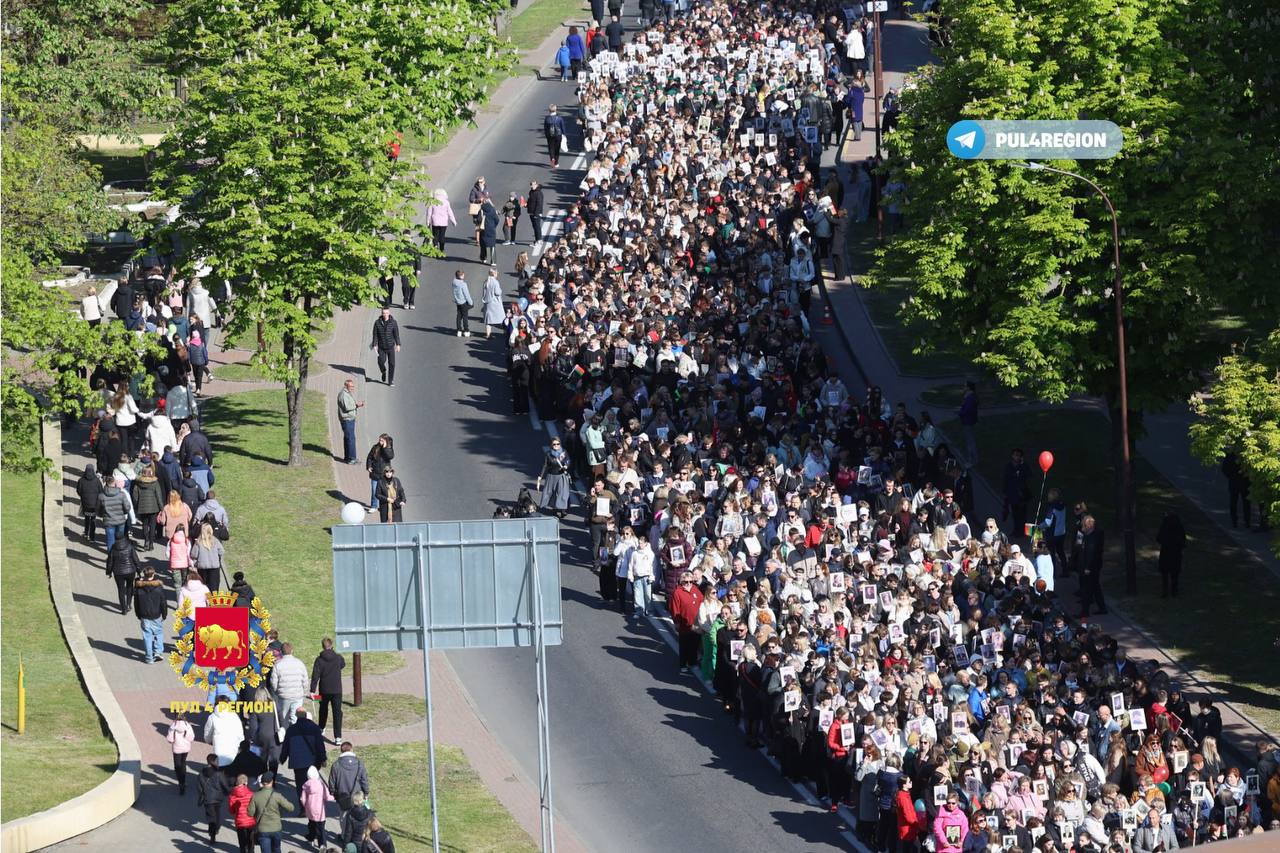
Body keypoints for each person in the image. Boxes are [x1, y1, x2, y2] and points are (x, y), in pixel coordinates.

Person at [281, 708, 327, 793]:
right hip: (313, 762)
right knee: (313, 783)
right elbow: (320, 745)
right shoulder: (315, 728)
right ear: (306, 715)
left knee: (300, 786)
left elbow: (286, 746)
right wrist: (323, 759)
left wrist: (282, 759)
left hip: (298, 763)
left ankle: (303, 804)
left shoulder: (291, 729)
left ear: (296, 716)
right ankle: (313, 801)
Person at [248, 772, 295, 853]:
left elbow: (250, 813)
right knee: (276, 849)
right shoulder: (277, 796)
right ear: (272, 782)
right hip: (276, 828)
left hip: (262, 830)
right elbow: (291, 808)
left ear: (262, 783)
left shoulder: (255, 796)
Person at [311, 637, 346, 741]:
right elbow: (343, 664)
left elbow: (315, 676)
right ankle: (338, 737)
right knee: (337, 712)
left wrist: (312, 690)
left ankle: (321, 728)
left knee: (323, 709)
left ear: (322, 647)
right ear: (332, 646)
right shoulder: (338, 658)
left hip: (323, 690)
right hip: (337, 690)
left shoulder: (319, 660)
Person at [669, 570, 704, 673]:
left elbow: (702, 602)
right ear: (681, 582)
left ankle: (692, 662)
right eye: (686, 582)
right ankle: (683, 664)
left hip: (696, 623)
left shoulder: (696, 590)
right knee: (684, 645)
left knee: (694, 644)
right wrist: (676, 622)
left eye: (690, 581)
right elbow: (675, 609)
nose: (688, 584)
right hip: (684, 624)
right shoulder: (677, 592)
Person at [271, 642, 310, 728]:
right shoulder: (300, 663)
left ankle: (284, 736)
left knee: (283, 718)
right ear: (292, 651)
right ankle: (296, 735)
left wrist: (277, 691)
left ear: (281, 652)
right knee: (296, 718)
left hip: (283, 696)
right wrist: (304, 692)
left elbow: (274, 682)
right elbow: (305, 680)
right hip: (297, 695)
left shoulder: (277, 665)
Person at [134, 566, 168, 662]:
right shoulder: (159, 588)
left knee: (147, 636)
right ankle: (158, 652)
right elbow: (163, 603)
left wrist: (138, 615)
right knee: (158, 633)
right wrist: (164, 614)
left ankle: (149, 657)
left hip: (144, 615)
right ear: (153, 574)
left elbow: (136, 603)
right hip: (156, 614)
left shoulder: (138, 588)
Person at [196, 753, 231, 845]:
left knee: (211, 817)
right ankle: (216, 829)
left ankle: (212, 835)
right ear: (214, 761)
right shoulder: (219, 774)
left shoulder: (201, 774)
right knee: (217, 814)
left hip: (208, 799)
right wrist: (229, 792)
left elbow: (199, 787)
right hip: (218, 798)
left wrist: (202, 795)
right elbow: (224, 785)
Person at [1078, 514, 1107, 617]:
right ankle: (1102, 607)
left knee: (1087, 589)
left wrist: (1087, 567)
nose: (1082, 528)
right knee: (1095, 587)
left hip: (1091, 567)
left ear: (1089, 526)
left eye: (1084, 526)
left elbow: (1091, 554)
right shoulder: (1091, 536)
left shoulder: (1092, 539)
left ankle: (1084, 612)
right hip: (1093, 566)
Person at [329, 741, 371, 813]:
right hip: (357, 796)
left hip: (342, 796)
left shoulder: (336, 765)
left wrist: (334, 794)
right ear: (351, 750)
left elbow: (332, 782)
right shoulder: (359, 764)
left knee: (344, 817)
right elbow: (364, 780)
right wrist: (366, 793)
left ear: (341, 751)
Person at [105, 533, 141, 613]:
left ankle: (123, 609)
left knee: (120, 590)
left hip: (118, 572)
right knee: (129, 587)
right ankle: (128, 604)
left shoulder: (113, 548)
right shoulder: (130, 546)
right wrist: (139, 570)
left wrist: (109, 572)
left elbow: (110, 561)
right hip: (130, 571)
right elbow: (136, 559)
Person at [131, 464, 165, 550]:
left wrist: (137, 504)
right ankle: (151, 543)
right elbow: (158, 496)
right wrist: (162, 508)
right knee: (153, 525)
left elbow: (135, 495)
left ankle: (146, 540)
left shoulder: (138, 483)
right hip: (153, 508)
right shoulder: (155, 483)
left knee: (145, 524)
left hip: (142, 507)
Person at [301, 765, 334, 849]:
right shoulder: (321, 785)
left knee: (311, 824)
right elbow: (327, 796)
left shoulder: (306, 785)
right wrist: (334, 797)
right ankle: (322, 845)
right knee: (321, 829)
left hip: (310, 809)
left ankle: (311, 838)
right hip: (320, 811)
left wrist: (305, 806)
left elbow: (302, 799)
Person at [536, 438, 571, 517]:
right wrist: (540, 477)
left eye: (558, 444)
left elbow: (568, 460)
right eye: (554, 444)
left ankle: (563, 510)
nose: (556, 446)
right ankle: (554, 509)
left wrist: (566, 465)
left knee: (563, 493)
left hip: (561, 476)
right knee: (553, 493)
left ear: (560, 444)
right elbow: (545, 465)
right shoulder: (548, 454)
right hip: (551, 476)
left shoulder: (564, 452)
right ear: (551, 445)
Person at [1156, 510, 1187, 598]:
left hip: (1165, 553)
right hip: (1176, 554)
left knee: (1165, 573)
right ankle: (1174, 591)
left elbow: (1158, 538)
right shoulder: (1179, 526)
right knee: (1175, 574)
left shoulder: (1165, 525)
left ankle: (1165, 591)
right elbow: (1183, 540)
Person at [204, 700, 245, 766]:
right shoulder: (235, 716)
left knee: (220, 768)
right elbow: (240, 735)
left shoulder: (212, 717)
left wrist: (209, 741)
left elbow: (207, 734)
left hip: (219, 749)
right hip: (233, 748)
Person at [166, 711, 195, 796]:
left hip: (177, 749)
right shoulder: (188, 726)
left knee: (177, 766)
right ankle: (183, 781)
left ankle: (180, 782)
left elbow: (170, 739)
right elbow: (191, 738)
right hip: (186, 748)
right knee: (183, 763)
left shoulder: (172, 727)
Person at [370, 307, 401, 386]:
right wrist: (374, 344)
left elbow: (396, 334)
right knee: (380, 361)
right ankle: (383, 371)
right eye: (384, 313)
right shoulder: (377, 323)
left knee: (392, 364)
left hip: (390, 347)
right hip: (381, 347)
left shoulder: (393, 322)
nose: (385, 314)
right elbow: (375, 335)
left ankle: (390, 381)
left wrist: (398, 344)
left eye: (386, 313)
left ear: (389, 313)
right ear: (381, 313)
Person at [191, 520, 225, 591]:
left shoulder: (198, 542)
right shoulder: (215, 541)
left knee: (203, 587)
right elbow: (221, 551)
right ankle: (213, 601)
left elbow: (193, 554)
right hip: (214, 567)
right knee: (214, 588)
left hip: (202, 567)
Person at [337, 379, 365, 465]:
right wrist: (357, 405)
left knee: (348, 438)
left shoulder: (346, 393)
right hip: (347, 420)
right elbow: (347, 407)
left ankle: (347, 457)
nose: (353, 388)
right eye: (351, 386)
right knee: (351, 439)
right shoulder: (343, 395)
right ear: (346, 386)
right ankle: (352, 459)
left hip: (349, 420)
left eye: (353, 386)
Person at [226, 774, 256, 853]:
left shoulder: (232, 796)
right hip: (251, 821)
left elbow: (231, 811)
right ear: (245, 783)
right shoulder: (251, 794)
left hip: (240, 823)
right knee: (251, 841)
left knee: (242, 843)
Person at [365, 434, 394, 513]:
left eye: (382, 440)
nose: (379, 442)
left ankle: (383, 506)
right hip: (375, 473)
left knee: (384, 491)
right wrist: (369, 466)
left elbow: (390, 456)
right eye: (379, 440)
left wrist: (384, 447)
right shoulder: (375, 447)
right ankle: (374, 506)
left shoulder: (389, 449)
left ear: (386, 441)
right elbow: (369, 457)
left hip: (384, 474)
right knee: (374, 490)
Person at [76, 464, 104, 542]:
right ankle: (92, 537)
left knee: (87, 518)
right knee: (93, 520)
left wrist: (83, 497)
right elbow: (101, 491)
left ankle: (86, 532)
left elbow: (78, 491)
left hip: (85, 504)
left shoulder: (81, 480)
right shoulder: (97, 481)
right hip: (94, 504)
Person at [426, 188, 456, 254]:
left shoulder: (432, 201)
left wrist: (428, 222)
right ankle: (442, 248)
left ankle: (435, 246)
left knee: (435, 235)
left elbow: (429, 213)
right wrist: (453, 221)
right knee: (442, 236)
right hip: (444, 222)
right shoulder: (446, 202)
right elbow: (450, 212)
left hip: (435, 222)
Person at [957, 380, 979, 463]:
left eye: (965, 386)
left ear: (969, 388)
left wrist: (959, 413)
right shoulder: (969, 396)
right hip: (968, 420)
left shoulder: (970, 398)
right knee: (969, 439)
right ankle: (972, 457)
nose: (963, 387)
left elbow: (968, 410)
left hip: (968, 421)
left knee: (970, 440)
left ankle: (973, 458)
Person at [481, 267, 505, 337]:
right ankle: (505, 332)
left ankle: (488, 334)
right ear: (494, 273)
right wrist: (501, 290)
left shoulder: (486, 281)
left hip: (488, 303)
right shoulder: (495, 282)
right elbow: (497, 292)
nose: (497, 274)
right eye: (497, 273)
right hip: (495, 303)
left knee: (489, 320)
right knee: (502, 318)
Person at [452, 269, 474, 337]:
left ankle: (459, 330)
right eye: (463, 275)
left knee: (459, 316)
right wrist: (471, 302)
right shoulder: (463, 284)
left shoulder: (454, 282)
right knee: (465, 316)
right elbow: (466, 294)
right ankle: (466, 331)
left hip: (458, 302)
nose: (464, 276)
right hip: (463, 302)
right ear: (461, 276)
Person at [477, 198, 500, 263]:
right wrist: (494, 226)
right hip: (491, 229)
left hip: (483, 229)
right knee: (492, 245)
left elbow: (478, 220)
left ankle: (483, 258)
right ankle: (493, 262)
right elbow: (497, 220)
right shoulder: (493, 210)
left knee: (483, 245)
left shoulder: (481, 210)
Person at [544, 103, 566, 168]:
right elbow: (563, 127)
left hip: (550, 135)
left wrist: (546, 135)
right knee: (557, 149)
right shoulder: (559, 118)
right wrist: (564, 135)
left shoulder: (547, 119)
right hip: (558, 135)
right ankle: (556, 162)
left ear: (549, 110)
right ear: (556, 110)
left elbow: (545, 128)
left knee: (551, 148)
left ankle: (552, 158)